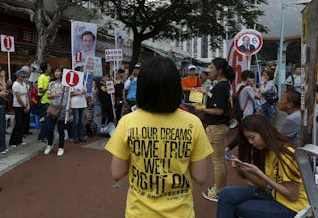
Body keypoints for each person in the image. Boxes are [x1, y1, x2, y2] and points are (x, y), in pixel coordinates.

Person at [105, 56, 213, 218]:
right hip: (181, 213)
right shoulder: (193, 123)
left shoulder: (128, 121)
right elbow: (201, 177)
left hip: (139, 213)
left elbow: (117, 172)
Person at [217, 114, 309, 218]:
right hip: (275, 195)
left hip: (292, 207)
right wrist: (243, 169)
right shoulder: (268, 151)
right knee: (226, 194)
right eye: (248, 139)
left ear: (263, 133)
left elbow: (292, 196)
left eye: (252, 137)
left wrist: (260, 174)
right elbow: (264, 185)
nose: (251, 142)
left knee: (239, 207)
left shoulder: (285, 155)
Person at [195, 58, 235, 201]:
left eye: (212, 67)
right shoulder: (223, 85)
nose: (209, 70)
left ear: (220, 70)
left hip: (216, 127)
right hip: (220, 126)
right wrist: (206, 94)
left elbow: (218, 110)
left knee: (217, 161)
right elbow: (217, 99)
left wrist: (202, 108)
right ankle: (220, 187)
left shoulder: (220, 87)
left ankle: (219, 191)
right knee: (219, 160)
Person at [43, 67, 69, 156]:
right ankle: (49, 144)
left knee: (61, 130)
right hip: (53, 108)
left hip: (62, 110)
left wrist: (69, 107)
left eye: (59, 71)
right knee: (49, 128)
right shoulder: (51, 84)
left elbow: (70, 96)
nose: (57, 73)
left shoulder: (67, 85)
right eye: (56, 71)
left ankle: (61, 147)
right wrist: (55, 94)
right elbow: (48, 96)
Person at [9, 69, 30, 147]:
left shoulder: (24, 84)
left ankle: (19, 140)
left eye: (24, 76)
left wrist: (27, 104)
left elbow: (26, 95)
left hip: (24, 105)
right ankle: (13, 142)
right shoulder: (15, 84)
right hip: (18, 106)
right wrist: (25, 105)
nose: (23, 77)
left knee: (22, 124)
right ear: (18, 76)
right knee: (18, 123)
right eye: (22, 76)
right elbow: (18, 97)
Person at [70, 66, 87, 143]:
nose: (82, 73)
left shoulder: (82, 81)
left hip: (82, 103)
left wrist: (83, 92)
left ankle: (81, 136)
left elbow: (84, 91)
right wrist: (80, 93)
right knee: (76, 121)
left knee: (81, 121)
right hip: (75, 103)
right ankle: (75, 137)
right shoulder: (72, 81)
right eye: (81, 71)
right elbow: (71, 93)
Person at [37, 62, 52, 142]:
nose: (50, 67)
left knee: (48, 120)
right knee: (46, 120)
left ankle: (43, 136)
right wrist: (49, 87)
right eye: (49, 66)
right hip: (44, 101)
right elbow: (40, 90)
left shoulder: (49, 77)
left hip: (50, 101)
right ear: (45, 69)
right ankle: (42, 137)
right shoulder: (41, 77)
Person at [0, 67, 9, 154]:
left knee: (2, 127)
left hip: (2, 104)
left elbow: (4, 90)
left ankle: (2, 146)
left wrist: (3, 78)